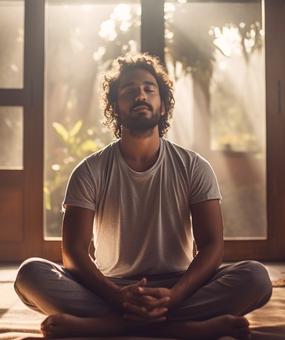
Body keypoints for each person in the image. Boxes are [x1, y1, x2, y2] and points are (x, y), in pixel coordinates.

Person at [14, 53, 272, 339]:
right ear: (115, 107)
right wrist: (117, 296)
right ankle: (185, 329)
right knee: (30, 274)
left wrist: (174, 296)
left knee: (256, 277)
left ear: (162, 106)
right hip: (109, 286)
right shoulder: (90, 170)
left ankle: (106, 327)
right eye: (129, 91)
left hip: (179, 285)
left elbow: (212, 245)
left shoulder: (194, 167)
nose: (141, 95)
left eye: (150, 89)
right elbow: (73, 251)